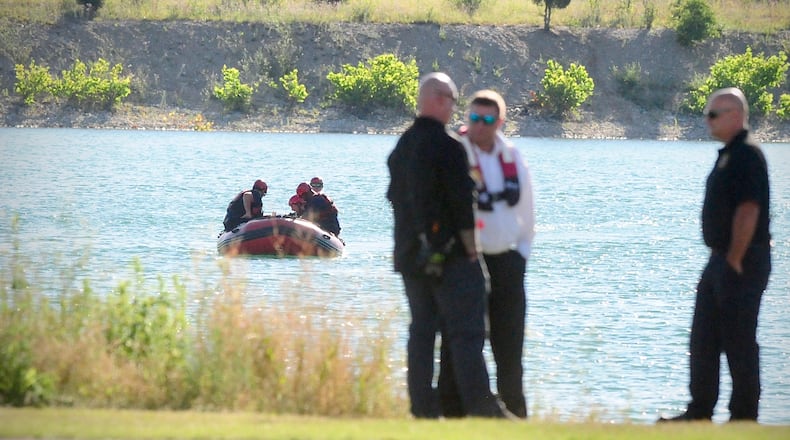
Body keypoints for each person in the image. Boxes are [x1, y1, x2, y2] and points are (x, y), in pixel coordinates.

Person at [387, 72, 508, 419]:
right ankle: (481, 407)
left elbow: (399, 202)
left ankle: (423, 409)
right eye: (453, 102)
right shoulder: (450, 148)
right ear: (439, 99)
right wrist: (472, 252)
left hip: (411, 256)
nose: (454, 109)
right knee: (467, 332)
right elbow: (461, 206)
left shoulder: (402, 148)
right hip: (451, 255)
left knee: (422, 332)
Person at [658, 87, 771, 423]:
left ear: (735, 116)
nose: (706, 120)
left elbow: (749, 209)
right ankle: (700, 410)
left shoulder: (748, 155)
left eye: (712, 114)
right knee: (704, 336)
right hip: (721, 258)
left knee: (739, 339)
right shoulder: (728, 155)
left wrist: (735, 258)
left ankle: (743, 417)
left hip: (742, 259)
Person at [451, 89, 535, 419]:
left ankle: (516, 414)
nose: (479, 126)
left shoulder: (512, 156)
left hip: (508, 261)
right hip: (468, 260)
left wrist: (522, 252)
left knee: (510, 345)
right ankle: (464, 412)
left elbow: (527, 207)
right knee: (466, 340)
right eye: (474, 118)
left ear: (500, 122)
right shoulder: (456, 154)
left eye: (487, 120)